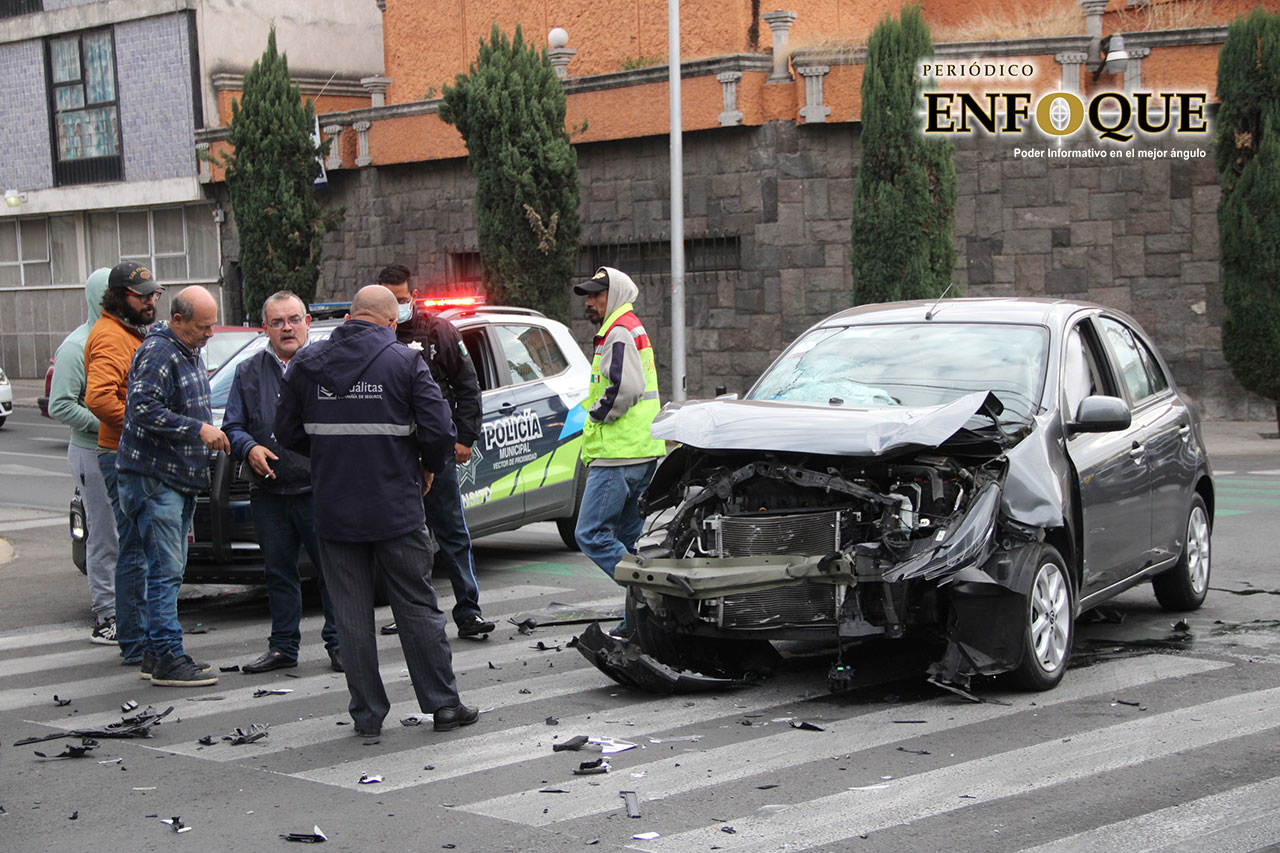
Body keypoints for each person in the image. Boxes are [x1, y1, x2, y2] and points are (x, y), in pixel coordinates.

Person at [275, 285, 477, 736]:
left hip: (334, 506)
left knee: (350, 614)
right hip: (396, 506)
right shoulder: (404, 361)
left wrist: (333, 455)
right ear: (390, 321)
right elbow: (440, 430)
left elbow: (285, 432)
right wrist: (425, 466)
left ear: (350, 316)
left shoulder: (308, 364)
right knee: (416, 606)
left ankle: (367, 715)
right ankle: (443, 706)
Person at [223, 291, 342, 674]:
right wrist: (248, 448)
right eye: (277, 322)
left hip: (319, 490)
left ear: (308, 321)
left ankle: (341, 645)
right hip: (270, 492)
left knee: (332, 573)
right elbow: (233, 427)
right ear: (265, 328)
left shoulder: (329, 366)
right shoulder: (247, 371)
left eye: (293, 319)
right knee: (278, 573)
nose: (287, 328)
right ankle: (283, 647)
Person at [116, 286, 229, 687]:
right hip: (155, 478)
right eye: (203, 326)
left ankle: (153, 652)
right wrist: (198, 429)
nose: (210, 333)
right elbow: (142, 409)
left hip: (172, 478)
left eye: (212, 324)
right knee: (165, 571)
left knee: (168, 569)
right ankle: (166, 654)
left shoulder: (184, 349)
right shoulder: (161, 351)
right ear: (177, 320)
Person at [376, 264, 494, 639]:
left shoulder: (437, 331)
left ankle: (468, 612)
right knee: (403, 537)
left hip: (436, 449)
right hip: (392, 454)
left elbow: (466, 386)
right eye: (387, 300)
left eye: (399, 299)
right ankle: (411, 611)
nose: (395, 307)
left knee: (451, 530)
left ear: (413, 297)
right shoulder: (375, 336)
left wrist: (464, 438)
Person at [571, 267, 667, 635]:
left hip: (619, 456)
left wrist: (597, 414)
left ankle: (648, 592)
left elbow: (625, 389)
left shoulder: (619, 330)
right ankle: (637, 627)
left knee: (591, 534)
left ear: (613, 296)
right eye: (588, 296)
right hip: (640, 452)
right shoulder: (627, 327)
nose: (589, 302)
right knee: (628, 543)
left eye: (596, 296)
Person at [85, 260, 160, 668]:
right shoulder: (112, 337)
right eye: (142, 295)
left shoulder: (127, 331)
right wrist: (139, 427)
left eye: (153, 294)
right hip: (122, 454)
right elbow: (98, 398)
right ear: (120, 297)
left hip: (124, 451)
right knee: (135, 549)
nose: (151, 301)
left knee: (139, 548)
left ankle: (137, 637)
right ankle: (134, 641)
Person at [48, 268, 118, 645]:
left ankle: (128, 612)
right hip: (92, 453)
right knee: (104, 534)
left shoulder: (122, 338)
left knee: (126, 535)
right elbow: (61, 404)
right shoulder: (77, 346)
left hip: (122, 452)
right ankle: (106, 616)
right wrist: (104, 423)